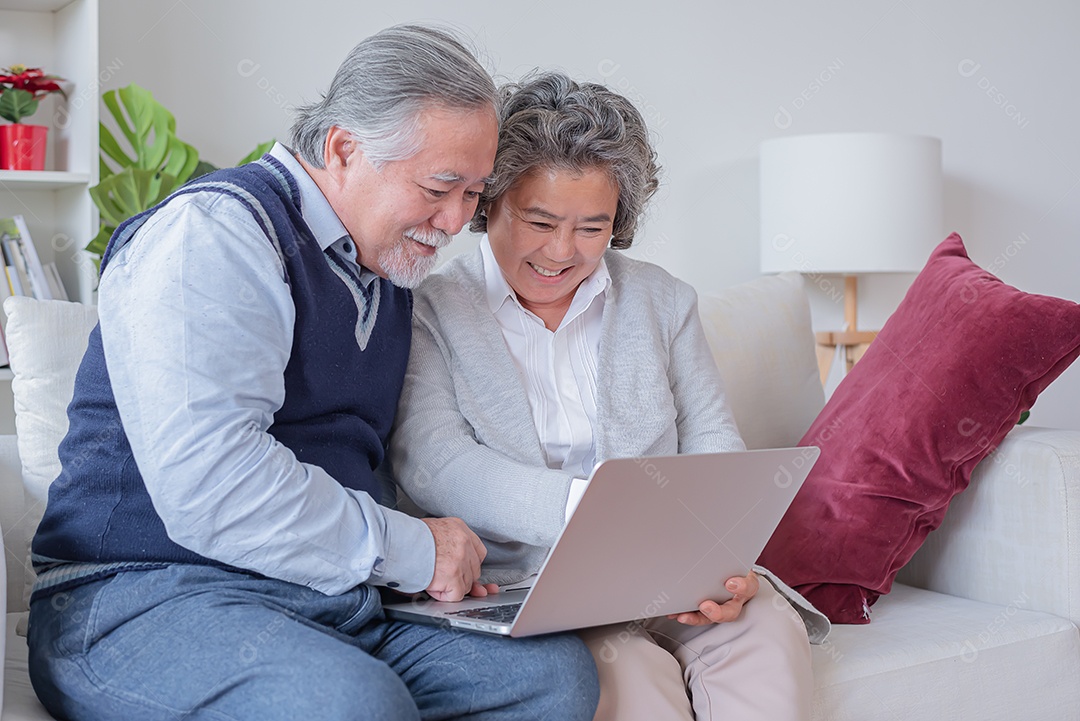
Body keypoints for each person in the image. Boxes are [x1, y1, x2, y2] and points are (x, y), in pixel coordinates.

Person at [26, 28, 599, 721]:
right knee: (348, 703)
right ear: (343, 148)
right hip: (144, 594)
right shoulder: (213, 234)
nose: (456, 221)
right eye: (439, 186)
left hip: (329, 596)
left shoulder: (388, 273)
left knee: (551, 678)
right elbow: (214, 485)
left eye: (474, 193)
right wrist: (414, 548)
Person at [389, 71, 824, 721]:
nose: (561, 252)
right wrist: (585, 510)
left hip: (674, 568)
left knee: (763, 626)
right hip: (534, 586)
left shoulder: (662, 300)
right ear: (490, 203)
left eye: (591, 228)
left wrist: (722, 558)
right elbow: (435, 463)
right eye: (539, 221)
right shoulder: (431, 311)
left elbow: (713, 442)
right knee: (633, 675)